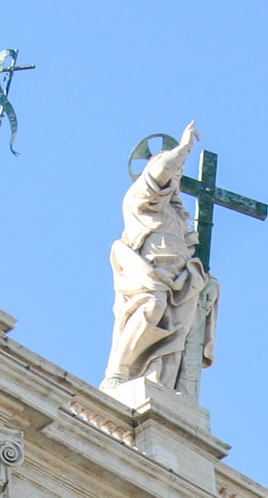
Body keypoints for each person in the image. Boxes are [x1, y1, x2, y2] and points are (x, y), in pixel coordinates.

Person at [103, 125, 214, 394]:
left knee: (178, 328)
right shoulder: (141, 198)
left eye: (179, 174)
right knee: (152, 305)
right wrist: (184, 148)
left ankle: (161, 380)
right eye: (174, 171)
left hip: (181, 278)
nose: (175, 176)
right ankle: (119, 371)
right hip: (148, 272)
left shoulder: (174, 216)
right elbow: (159, 171)